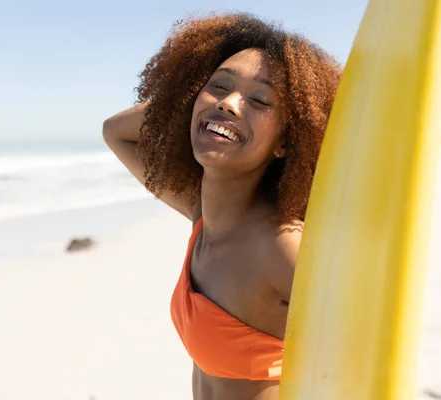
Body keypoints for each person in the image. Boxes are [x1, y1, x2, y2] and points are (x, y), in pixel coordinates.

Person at [103, 12, 341, 400]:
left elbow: (361, 352)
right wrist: (194, 104)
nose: (230, 103)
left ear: (286, 141)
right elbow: (116, 133)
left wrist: (214, 106)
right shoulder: (205, 215)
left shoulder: (281, 247)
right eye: (218, 86)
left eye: (260, 100)